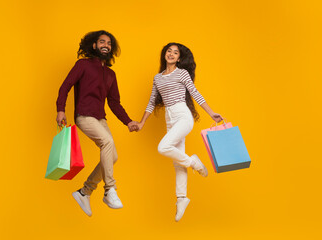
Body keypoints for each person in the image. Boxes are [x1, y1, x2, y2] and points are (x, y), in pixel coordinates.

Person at [136, 43, 223, 222]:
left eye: (175, 53)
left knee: (163, 147)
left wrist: (212, 113)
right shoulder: (157, 78)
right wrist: (142, 122)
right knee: (177, 162)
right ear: (164, 54)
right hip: (169, 118)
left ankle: (194, 163)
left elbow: (195, 93)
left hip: (182, 115)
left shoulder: (182, 73)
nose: (171, 54)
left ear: (179, 58)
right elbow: (151, 102)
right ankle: (182, 198)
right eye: (169, 51)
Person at [56, 30, 138, 217]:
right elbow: (65, 86)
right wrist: (61, 109)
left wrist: (128, 122)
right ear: (94, 45)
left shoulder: (110, 74)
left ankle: (84, 192)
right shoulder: (83, 65)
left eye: (109, 43)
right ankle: (110, 189)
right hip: (84, 115)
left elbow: (114, 103)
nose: (106, 46)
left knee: (112, 156)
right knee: (107, 143)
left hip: (100, 118)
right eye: (102, 42)